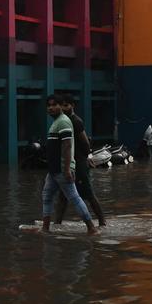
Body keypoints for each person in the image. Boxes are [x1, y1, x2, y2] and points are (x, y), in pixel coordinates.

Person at [41, 95, 99, 236]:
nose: (51, 108)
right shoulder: (56, 123)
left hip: (61, 169)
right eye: (48, 105)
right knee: (47, 196)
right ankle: (45, 228)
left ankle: (91, 228)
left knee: (74, 197)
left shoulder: (64, 122)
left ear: (61, 106)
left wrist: (67, 168)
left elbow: (67, 146)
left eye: (54, 105)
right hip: (54, 170)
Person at [53, 96, 106, 227]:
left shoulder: (75, 121)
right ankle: (57, 223)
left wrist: (87, 157)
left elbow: (85, 143)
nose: (63, 108)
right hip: (68, 163)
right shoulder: (64, 121)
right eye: (62, 106)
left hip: (79, 163)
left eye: (66, 105)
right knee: (63, 195)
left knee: (88, 193)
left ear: (72, 106)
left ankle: (102, 221)